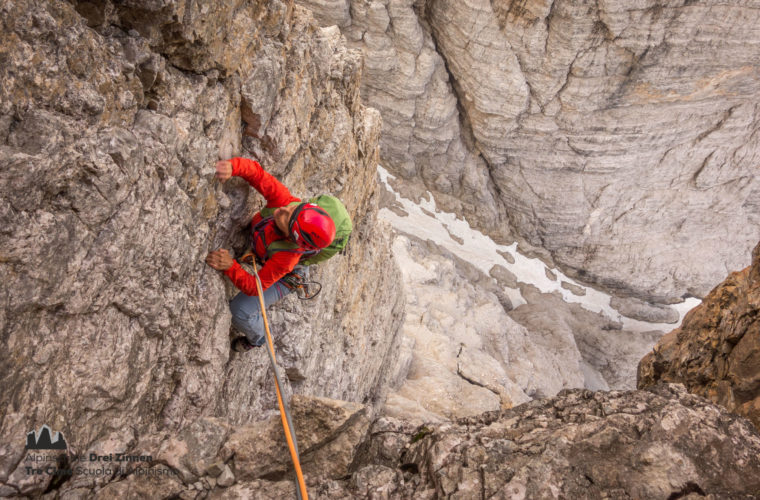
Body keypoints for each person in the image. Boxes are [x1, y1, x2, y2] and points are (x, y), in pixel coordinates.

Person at [205, 157, 338, 352]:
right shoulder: (286, 201)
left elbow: (253, 287)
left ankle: (257, 338)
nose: (282, 210)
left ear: (292, 238)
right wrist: (233, 167)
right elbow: (257, 174)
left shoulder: (286, 258)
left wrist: (230, 267)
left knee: (240, 311)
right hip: (266, 253)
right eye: (292, 209)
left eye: (286, 220)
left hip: (287, 278)